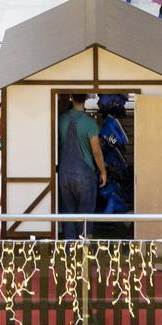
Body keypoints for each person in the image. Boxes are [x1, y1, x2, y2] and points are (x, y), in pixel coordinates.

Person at [56, 94, 106, 239]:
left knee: (68, 213)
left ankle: (69, 252)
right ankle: (84, 251)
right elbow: (97, 152)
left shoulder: (61, 119)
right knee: (86, 215)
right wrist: (103, 172)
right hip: (85, 177)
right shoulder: (90, 124)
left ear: (71, 97)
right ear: (86, 99)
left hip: (64, 174)